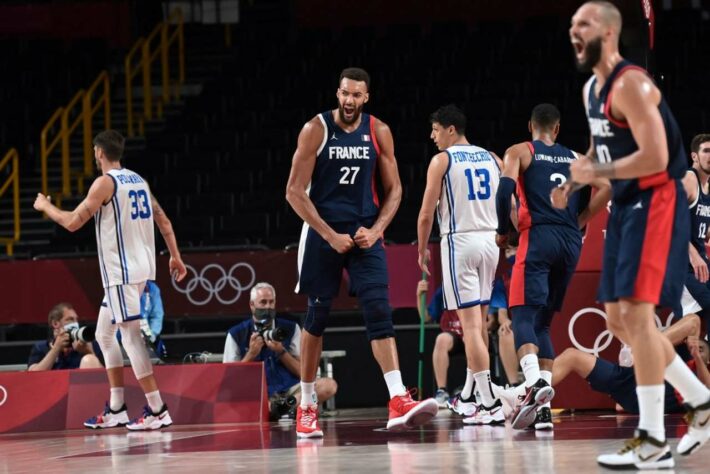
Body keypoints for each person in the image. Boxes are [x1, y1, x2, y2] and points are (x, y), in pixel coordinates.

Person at [569, 2, 710, 468]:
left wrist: (597, 167)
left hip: (657, 202)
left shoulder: (632, 83)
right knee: (618, 322)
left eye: (583, 25)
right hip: (626, 207)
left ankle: (651, 439)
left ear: (609, 33)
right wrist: (577, 178)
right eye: (571, 25)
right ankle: (701, 403)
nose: (574, 32)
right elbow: (601, 144)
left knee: (638, 314)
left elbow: (654, 156)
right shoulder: (592, 89)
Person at [286, 67, 437, 438]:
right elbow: (294, 191)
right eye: (344, 94)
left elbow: (396, 190)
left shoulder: (378, 130)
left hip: (365, 233)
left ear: (366, 97)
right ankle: (307, 404)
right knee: (317, 315)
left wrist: (378, 230)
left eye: (356, 95)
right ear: (337, 93)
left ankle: (397, 398)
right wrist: (329, 234)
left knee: (379, 311)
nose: (349, 101)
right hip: (324, 232)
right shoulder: (316, 129)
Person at [33, 129, 187, 431]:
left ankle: (158, 410)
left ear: (98, 152)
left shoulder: (106, 183)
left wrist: (45, 207)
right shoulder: (139, 180)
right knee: (104, 335)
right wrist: (175, 255)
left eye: (94, 151)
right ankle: (117, 407)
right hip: (140, 270)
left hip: (122, 273)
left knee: (130, 337)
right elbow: (164, 221)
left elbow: (73, 222)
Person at [495, 103, 611, 431]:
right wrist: (582, 221)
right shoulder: (577, 158)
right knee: (544, 324)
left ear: (530, 125)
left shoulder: (520, 150)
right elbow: (607, 188)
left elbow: (504, 190)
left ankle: (532, 384)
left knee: (521, 314)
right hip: (570, 241)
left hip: (539, 236)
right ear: (557, 129)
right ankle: (544, 410)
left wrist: (504, 231)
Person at [417, 104, 504, 426]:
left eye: (436, 130)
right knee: (478, 326)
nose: (432, 136)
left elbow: (427, 212)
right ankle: (469, 396)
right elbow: (510, 201)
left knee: (470, 329)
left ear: (451, 129)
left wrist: (423, 249)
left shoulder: (443, 160)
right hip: (491, 241)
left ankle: (490, 401)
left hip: (460, 241)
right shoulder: (493, 158)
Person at [223, 282, 337, 419]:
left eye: (271, 302)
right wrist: (250, 355)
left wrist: (282, 352)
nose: (268, 307)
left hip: (290, 389)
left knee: (329, 385)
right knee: (234, 398)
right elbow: (229, 380)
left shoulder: (290, 328)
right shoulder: (236, 333)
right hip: (258, 393)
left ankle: (285, 407)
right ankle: (278, 408)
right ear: (252, 305)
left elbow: (304, 372)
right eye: (263, 302)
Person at [415, 280, 466, 409]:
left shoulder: (477, 284)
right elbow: (425, 318)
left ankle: (474, 390)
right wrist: (419, 296)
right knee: (441, 339)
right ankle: (442, 391)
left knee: (472, 340)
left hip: (473, 333)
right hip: (453, 334)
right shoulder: (443, 289)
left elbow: (491, 320)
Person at [681, 134, 710, 342]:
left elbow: (702, 230)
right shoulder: (688, 180)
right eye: (706, 151)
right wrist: (693, 254)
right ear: (695, 156)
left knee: (692, 326)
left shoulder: (708, 186)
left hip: (699, 264)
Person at [28, 302, 103, 371]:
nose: (75, 323)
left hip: (81, 384)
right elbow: (33, 376)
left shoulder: (89, 344)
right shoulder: (41, 347)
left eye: (76, 320)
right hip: (54, 384)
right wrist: (56, 349)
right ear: (55, 324)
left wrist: (89, 352)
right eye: (70, 319)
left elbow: (106, 376)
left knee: (89, 359)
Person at [140, 280, 167, 357]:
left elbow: (157, 315)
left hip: (146, 332)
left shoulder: (152, 288)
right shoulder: (122, 287)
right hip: (125, 332)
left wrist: (152, 334)